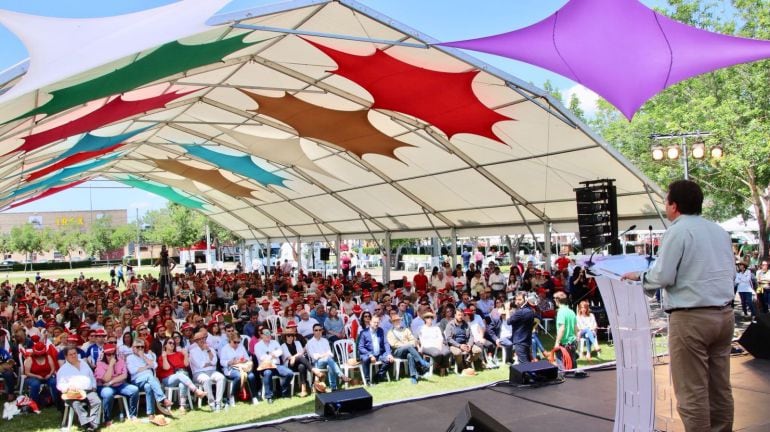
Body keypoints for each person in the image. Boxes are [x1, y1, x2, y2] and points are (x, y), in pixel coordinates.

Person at [622, 180, 735, 432]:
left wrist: (640, 277)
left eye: (666, 201)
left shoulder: (678, 231)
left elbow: (662, 276)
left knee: (691, 389)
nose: (665, 206)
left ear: (674, 205)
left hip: (692, 318)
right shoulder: (718, 231)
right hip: (724, 315)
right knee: (720, 387)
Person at [126, 338, 174, 419]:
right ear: (133, 348)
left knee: (148, 386)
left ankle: (150, 413)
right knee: (149, 375)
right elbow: (132, 371)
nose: (140, 348)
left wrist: (144, 357)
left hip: (148, 380)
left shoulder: (147, 355)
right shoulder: (130, 357)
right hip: (137, 381)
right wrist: (147, 367)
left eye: (142, 347)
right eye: (138, 347)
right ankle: (162, 399)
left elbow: (155, 365)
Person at [56, 347, 101, 432]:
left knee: (97, 401)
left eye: (75, 353)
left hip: (88, 390)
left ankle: (93, 425)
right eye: (71, 354)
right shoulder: (63, 369)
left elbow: (91, 376)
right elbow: (59, 385)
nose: (73, 356)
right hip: (73, 394)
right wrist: (68, 387)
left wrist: (94, 386)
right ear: (66, 357)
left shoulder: (84, 363)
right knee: (77, 404)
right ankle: (88, 425)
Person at [156, 337, 206, 412]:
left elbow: (186, 365)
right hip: (167, 379)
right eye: (170, 343)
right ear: (165, 345)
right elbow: (166, 368)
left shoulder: (179, 354)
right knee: (180, 375)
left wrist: (185, 355)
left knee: (182, 382)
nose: (172, 344)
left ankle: (182, 406)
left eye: (173, 343)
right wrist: (164, 357)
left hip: (181, 376)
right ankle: (196, 391)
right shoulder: (162, 357)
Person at [94, 343, 139, 425]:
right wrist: (111, 365)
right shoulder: (100, 363)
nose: (111, 356)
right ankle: (107, 419)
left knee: (134, 390)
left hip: (119, 385)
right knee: (107, 394)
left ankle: (133, 415)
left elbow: (124, 376)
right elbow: (105, 379)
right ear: (104, 354)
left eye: (113, 354)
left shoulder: (121, 361)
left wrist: (111, 382)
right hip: (104, 386)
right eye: (108, 354)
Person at [386, 314, 430, 384]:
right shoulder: (390, 333)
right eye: (395, 321)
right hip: (397, 352)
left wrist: (408, 345)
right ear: (392, 323)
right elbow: (393, 344)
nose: (397, 322)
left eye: (398, 321)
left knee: (410, 355)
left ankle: (413, 376)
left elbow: (413, 340)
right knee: (409, 346)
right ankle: (421, 362)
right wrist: (405, 345)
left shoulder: (406, 330)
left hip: (409, 351)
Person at [253, 329, 294, 403]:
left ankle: (283, 391)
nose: (268, 336)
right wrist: (273, 355)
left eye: (269, 334)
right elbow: (261, 358)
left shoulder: (275, 342)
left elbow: (280, 351)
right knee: (267, 373)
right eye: (266, 334)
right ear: (261, 335)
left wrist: (271, 354)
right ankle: (269, 396)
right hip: (265, 366)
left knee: (289, 373)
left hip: (276, 365)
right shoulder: (257, 345)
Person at [305, 324, 350, 391]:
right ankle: (341, 376)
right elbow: (315, 357)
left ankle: (333, 388)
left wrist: (323, 355)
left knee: (330, 365)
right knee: (329, 359)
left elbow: (330, 354)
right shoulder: (310, 343)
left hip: (327, 361)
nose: (318, 331)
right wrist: (325, 355)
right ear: (313, 331)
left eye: (320, 330)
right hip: (316, 363)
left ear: (322, 331)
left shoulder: (325, 341)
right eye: (316, 330)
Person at [189, 331, 226, 411]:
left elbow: (214, 362)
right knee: (206, 379)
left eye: (204, 338)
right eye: (199, 339)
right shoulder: (193, 352)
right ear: (196, 341)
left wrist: (208, 350)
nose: (202, 340)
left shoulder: (211, 349)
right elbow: (200, 365)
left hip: (211, 371)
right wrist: (209, 363)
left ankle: (218, 402)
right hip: (198, 373)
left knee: (221, 377)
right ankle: (212, 403)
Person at [220, 333, 259, 406]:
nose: (237, 344)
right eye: (235, 342)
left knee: (251, 376)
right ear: (230, 340)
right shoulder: (225, 348)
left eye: (238, 342)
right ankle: (232, 396)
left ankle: (254, 396)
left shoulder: (241, 347)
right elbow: (222, 362)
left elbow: (247, 358)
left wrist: (243, 360)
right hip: (230, 368)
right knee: (238, 376)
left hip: (242, 367)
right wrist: (230, 362)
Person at [358, 316, 393, 385]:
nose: (376, 324)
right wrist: (370, 355)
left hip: (379, 354)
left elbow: (385, 343)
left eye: (377, 322)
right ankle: (367, 380)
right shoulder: (364, 333)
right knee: (365, 360)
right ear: (370, 322)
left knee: (390, 360)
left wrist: (389, 354)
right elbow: (360, 347)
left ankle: (377, 377)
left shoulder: (380, 330)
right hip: (368, 354)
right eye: (374, 322)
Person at [507, 292, 534, 364]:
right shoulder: (530, 310)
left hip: (520, 341)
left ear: (525, 299)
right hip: (527, 339)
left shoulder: (520, 312)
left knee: (524, 363)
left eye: (520, 300)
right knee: (527, 360)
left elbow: (508, 321)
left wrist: (507, 309)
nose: (517, 302)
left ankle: (529, 375)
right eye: (516, 300)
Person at [553, 291, 578, 369]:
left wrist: (557, 342)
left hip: (564, 344)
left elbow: (562, 328)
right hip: (573, 342)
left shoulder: (561, 312)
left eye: (554, 299)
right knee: (573, 367)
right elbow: (575, 328)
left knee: (562, 369)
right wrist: (577, 339)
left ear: (557, 300)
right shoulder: (571, 311)